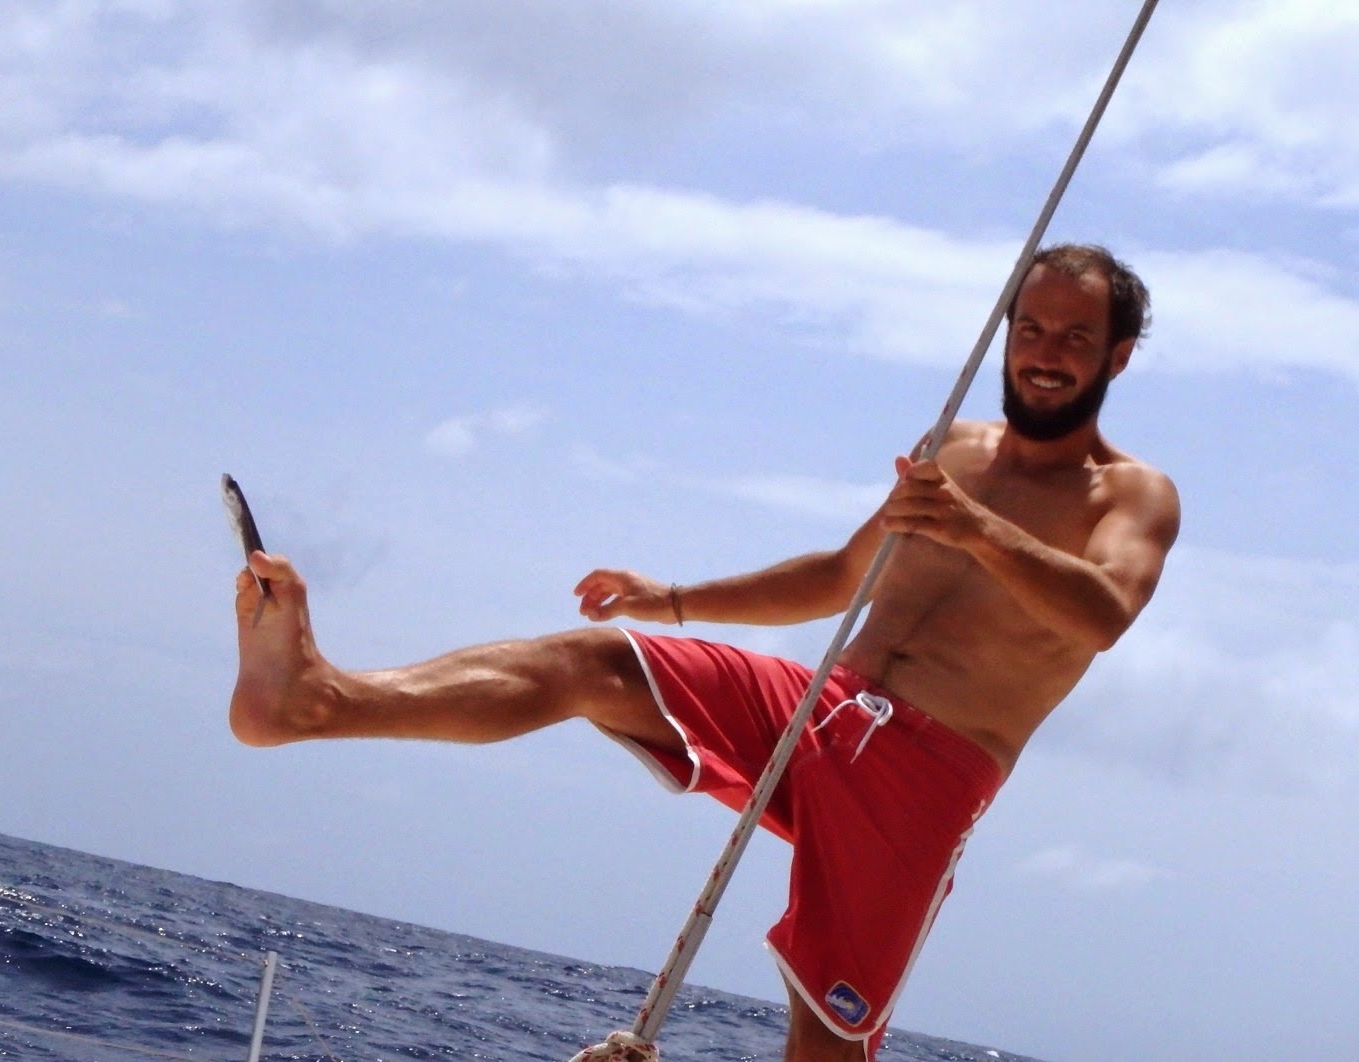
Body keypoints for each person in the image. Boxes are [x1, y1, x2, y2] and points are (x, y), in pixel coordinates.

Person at [228, 243, 1181, 1061]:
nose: (1044, 355)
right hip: (823, 704)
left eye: (1074, 338)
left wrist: (975, 530)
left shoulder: (1130, 496)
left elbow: (1102, 612)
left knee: (826, 1040)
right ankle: (319, 700)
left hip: (927, 773)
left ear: (1117, 357)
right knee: (595, 662)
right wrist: (672, 600)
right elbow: (840, 576)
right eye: (1031, 329)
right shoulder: (953, 450)